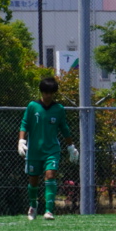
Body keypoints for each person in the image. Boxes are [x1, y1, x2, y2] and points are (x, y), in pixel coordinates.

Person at [18, 76, 76, 221]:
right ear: (41, 92)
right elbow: (24, 124)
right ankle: (33, 206)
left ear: (54, 93)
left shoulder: (59, 109)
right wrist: (21, 140)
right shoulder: (32, 106)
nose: (47, 95)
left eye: (50, 92)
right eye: (45, 92)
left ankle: (49, 211)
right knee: (33, 180)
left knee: (50, 175)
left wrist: (71, 147)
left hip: (52, 150)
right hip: (34, 151)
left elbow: (64, 128)